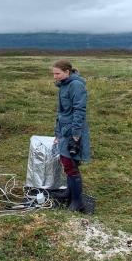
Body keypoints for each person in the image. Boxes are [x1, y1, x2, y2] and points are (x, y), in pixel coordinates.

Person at [53, 59, 94, 214]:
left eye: (57, 73)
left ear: (67, 72)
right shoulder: (64, 85)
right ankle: (69, 193)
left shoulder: (76, 85)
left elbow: (79, 110)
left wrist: (76, 135)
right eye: (54, 73)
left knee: (71, 164)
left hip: (73, 130)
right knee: (66, 162)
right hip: (64, 130)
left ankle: (77, 202)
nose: (55, 76)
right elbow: (61, 112)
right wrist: (58, 133)